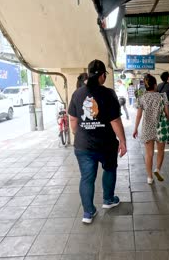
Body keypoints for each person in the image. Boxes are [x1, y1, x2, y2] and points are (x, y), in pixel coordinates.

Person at [68, 59, 127, 224]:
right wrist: (122, 141)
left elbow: (73, 119)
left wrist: (78, 133)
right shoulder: (109, 93)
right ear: (102, 75)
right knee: (109, 169)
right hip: (106, 144)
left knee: (87, 177)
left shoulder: (78, 93)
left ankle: (88, 212)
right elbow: (115, 121)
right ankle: (108, 200)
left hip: (83, 145)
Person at [133, 74, 169, 184]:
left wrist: (135, 128)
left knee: (149, 154)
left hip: (147, 128)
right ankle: (157, 169)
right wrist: (167, 122)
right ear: (155, 85)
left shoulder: (142, 97)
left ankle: (149, 178)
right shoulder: (162, 96)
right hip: (160, 127)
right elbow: (167, 114)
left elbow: (138, 115)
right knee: (161, 151)